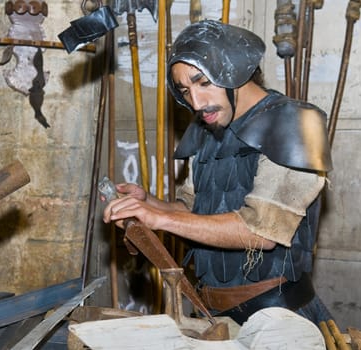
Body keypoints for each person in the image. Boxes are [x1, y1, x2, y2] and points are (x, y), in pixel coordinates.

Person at [103, 19, 333, 326]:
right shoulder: (208, 127)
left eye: (203, 82)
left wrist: (162, 218)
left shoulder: (294, 123)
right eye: (185, 90)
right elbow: (193, 212)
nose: (195, 102)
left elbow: (260, 231)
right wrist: (149, 204)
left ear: (234, 71)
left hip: (277, 323)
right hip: (213, 317)